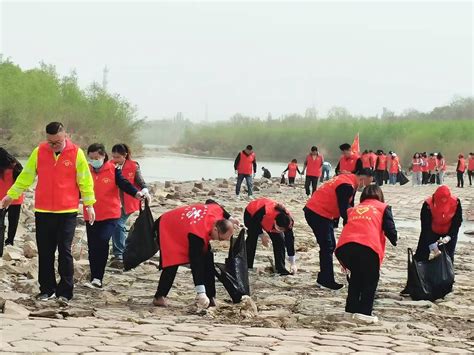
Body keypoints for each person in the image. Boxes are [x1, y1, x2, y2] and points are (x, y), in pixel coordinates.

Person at [0, 122, 96, 303]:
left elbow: (85, 181)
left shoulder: (77, 153)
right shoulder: (39, 151)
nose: (53, 146)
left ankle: (65, 292)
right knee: (45, 252)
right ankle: (47, 289)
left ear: (65, 135)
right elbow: (26, 176)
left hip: (67, 210)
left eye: (57, 142)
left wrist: (89, 205)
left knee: (65, 251)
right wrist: (10, 195)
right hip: (43, 210)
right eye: (50, 142)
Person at [153, 200, 237, 308]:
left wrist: (230, 218)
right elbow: (196, 263)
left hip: (184, 224)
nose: (219, 242)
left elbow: (211, 202)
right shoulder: (197, 236)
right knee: (173, 261)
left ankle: (211, 296)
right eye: (220, 239)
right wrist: (200, 292)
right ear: (215, 230)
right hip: (167, 225)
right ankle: (159, 297)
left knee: (208, 258)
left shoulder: (217, 211)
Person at [84, 143, 144, 288]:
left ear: (103, 156)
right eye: (91, 158)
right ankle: (94, 276)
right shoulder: (85, 170)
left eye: (96, 157)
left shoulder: (113, 170)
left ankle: (98, 277)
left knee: (103, 241)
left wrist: (137, 193)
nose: (93, 160)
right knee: (92, 247)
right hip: (91, 214)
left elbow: (124, 184)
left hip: (110, 214)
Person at [335, 185, 397, 323]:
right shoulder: (383, 207)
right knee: (370, 279)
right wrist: (394, 239)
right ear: (380, 196)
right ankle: (364, 313)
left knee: (356, 277)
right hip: (368, 246)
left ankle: (350, 310)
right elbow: (390, 228)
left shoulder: (353, 209)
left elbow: (348, 224)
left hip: (345, 247)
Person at [303, 168, 374, 290]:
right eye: (368, 183)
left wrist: (351, 221)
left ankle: (324, 277)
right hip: (317, 213)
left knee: (330, 245)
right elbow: (344, 209)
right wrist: (354, 221)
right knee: (327, 246)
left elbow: (349, 205)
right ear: (362, 179)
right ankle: (326, 280)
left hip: (323, 213)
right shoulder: (347, 185)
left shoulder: (350, 181)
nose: (367, 186)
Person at [110, 143, 150, 267]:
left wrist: (145, 190)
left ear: (125, 155)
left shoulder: (134, 166)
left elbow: (140, 181)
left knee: (118, 224)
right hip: (113, 202)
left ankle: (119, 253)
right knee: (115, 225)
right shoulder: (109, 165)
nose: (115, 159)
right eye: (114, 156)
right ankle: (120, 250)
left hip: (129, 201)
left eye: (118, 157)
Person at [244, 198, 297, 275]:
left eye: (283, 230)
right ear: (275, 221)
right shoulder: (265, 213)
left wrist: (293, 263)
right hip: (252, 214)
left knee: (280, 240)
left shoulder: (288, 222)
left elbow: (290, 241)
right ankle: (247, 265)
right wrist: (261, 235)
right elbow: (253, 224)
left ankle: (280, 268)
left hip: (269, 220)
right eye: (279, 229)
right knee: (252, 237)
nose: (280, 231)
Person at [413, 185, 462, 262]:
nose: (443, 201)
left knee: (448, 256)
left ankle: (447, 271)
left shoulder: (456, 202)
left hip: (448, 229)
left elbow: (457, 221)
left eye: (445, 199)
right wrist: (433, 246)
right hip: (432, 229)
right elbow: (425, 226)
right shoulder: (428, 204)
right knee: (422, 252)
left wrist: (449, 236)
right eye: (440, 199)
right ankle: (419, 268)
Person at [0, 148, 24, 246]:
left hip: (2, 199)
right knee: (13, 222)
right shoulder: (16, 166)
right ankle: (10, 241)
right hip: (15, 198)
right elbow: (22, 182)